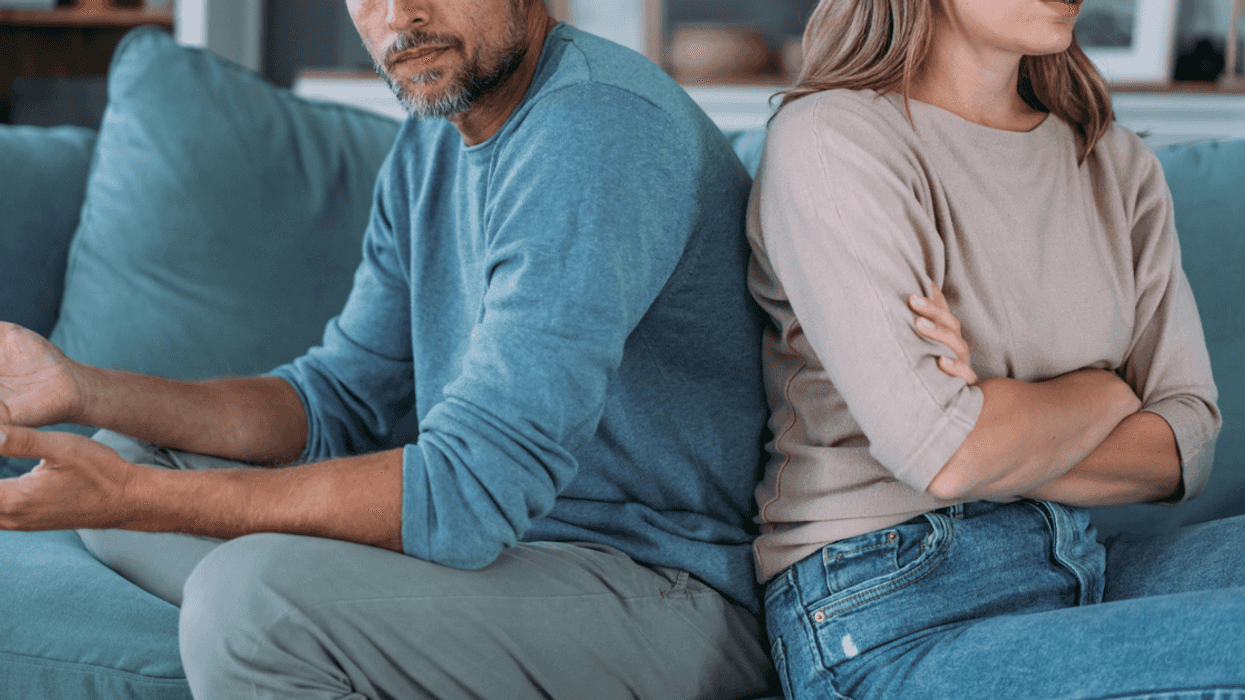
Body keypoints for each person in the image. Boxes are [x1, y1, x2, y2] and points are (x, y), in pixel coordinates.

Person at [0, 1, 776, 698]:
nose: (399, 14)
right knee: (130, 452)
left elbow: (470, 492)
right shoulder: (429, 146)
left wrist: (138, 501)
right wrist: (81, 389)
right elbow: (336, 400)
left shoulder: (596, 128)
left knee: (249, 598)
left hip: (659, 585)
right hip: (501, 559)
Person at [747, 0, 1245, 697]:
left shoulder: (1112, 162)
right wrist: (1105, 391)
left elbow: (1182, 443)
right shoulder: (833, 140)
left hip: (1075, 559)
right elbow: (948, 456)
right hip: (888, 606)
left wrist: (988, 414)